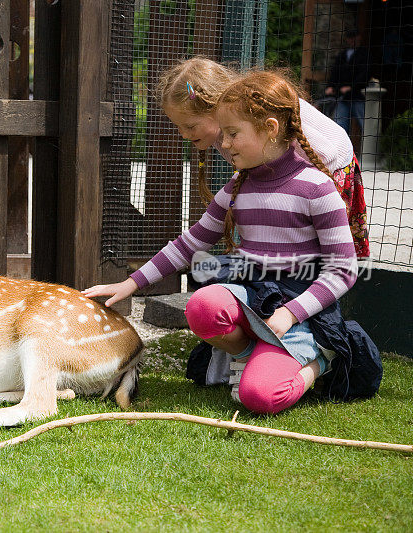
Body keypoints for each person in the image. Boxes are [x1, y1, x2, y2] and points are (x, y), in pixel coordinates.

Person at [84, 70, 381, 414]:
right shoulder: (239, 186)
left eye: (232, 134)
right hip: (254, 294)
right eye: (222, 133)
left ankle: (320, 360)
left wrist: (290, 313)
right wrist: (131, 282)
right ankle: (245, 355)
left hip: (297, 306)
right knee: (204, 304)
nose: (223, 144)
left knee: (260, 398)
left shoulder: (317, 187)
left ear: (270, 130)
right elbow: (189, 242)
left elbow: (342, 270)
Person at [157, 57, 369, 257]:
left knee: (322, 248)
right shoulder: (226, 132)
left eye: (190, 126)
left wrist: (297, 190)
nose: (184, 134)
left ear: (213, 106)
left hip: (333, 168)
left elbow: (328, 155)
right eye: (178, 127)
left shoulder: (259, 106)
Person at [325, 29, 371, 135]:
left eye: (354, 38)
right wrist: (331, 86)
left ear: (359, 38)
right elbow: (335, 72)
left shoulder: (364, 54)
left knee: (366, 125)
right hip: (342, 97)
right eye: (350, 38)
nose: (352, 41)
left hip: (358, 96)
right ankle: (343, 151)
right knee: (340, 126)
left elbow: (365, 74)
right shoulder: (342, 55)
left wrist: (352, 87)